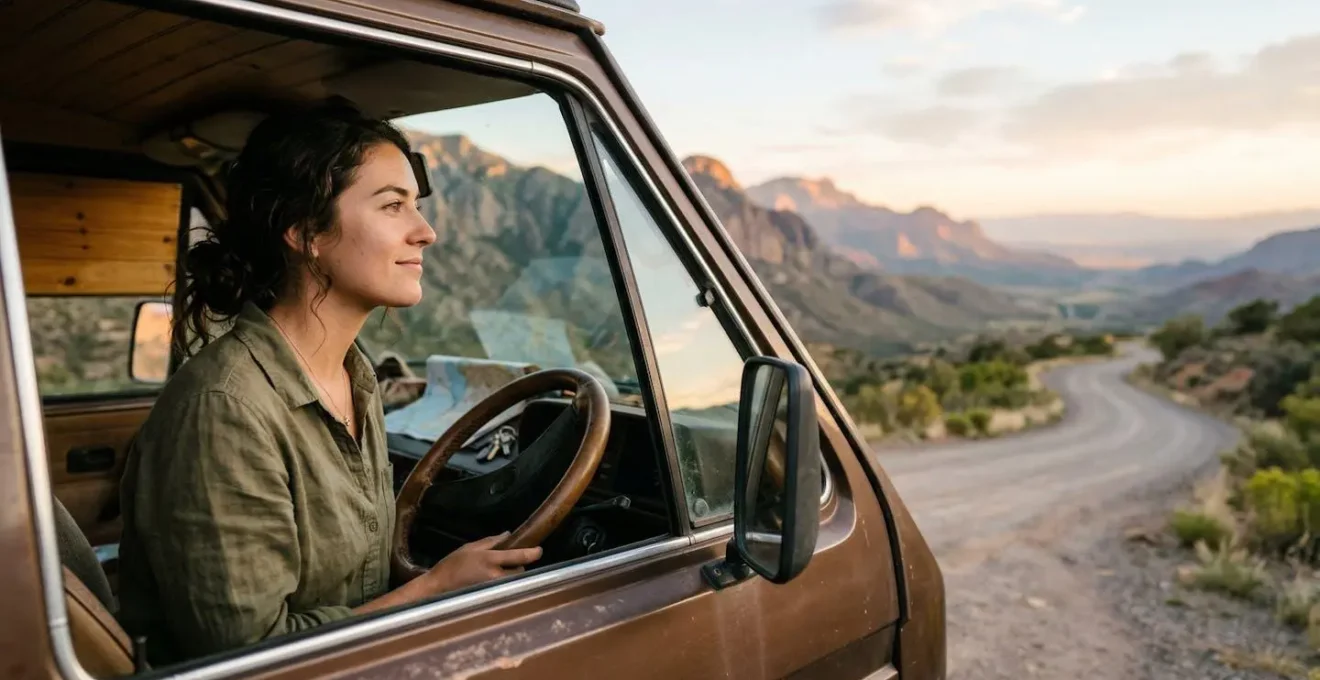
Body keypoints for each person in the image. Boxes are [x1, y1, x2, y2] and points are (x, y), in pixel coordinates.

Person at [117, 101, 543, 665]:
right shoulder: (225, 409)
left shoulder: (354, 376)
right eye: (394, 205)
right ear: (306, 232)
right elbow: (248, 656)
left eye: (416, 206)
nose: (427, 232)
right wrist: (436, 589)